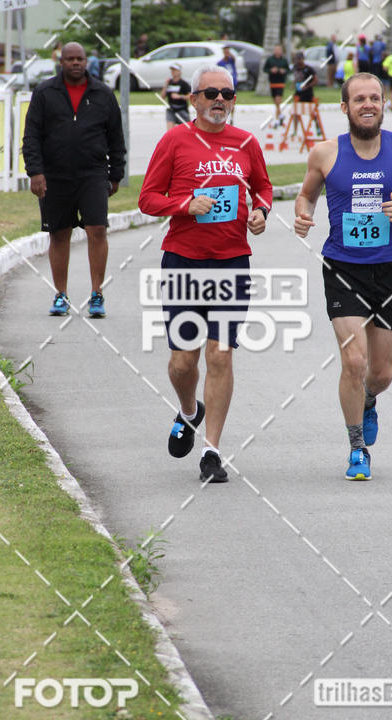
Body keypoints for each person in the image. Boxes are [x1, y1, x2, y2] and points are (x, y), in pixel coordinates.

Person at [294, 72, 392, 480]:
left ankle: (370, 400)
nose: (368, 105)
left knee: (381, 374)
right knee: (354, 361)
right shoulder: (325, 153)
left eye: (374, 98)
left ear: (383, 104)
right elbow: (306, 195)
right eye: (359, 99)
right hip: (342, 268)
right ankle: (357, 448)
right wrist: (303, 214)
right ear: (345, 107)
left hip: (390, 269)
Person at [138, 65, 272, 483]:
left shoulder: (246, 142)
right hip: (183, 260)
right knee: (183, 362)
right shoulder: (174, 140)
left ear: (234, 100)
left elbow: (263, 188)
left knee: (220, 354)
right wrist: (185, 205)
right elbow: (147, 198)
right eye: (210, 93)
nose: (219, 100)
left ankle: (211, 452)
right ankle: (188, 410)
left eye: (227, 94)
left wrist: (261, 212)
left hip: (232, 262)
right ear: (193, 99)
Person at [23, 42, 126, 318]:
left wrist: (116, 173)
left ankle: (97, 294)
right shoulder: (45, 92)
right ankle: (60, 295)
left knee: (97, 229)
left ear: (86, 61)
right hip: (55, 176)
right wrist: (35, 172)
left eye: (80, 58)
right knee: (59, 233)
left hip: (93, 173)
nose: (76, 63)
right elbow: (31, 135)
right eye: (70, 59)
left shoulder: (103, 93)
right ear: (61, 62)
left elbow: (116, 137)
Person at [263, 44, 289, 126]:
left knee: (278, 100)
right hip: (272, 82)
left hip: (280, 82)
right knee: (276, 102)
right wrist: (271, 70)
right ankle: (280, 116)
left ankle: (277, 119)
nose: (277, 51)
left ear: (281, 51)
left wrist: (284, 71)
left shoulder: (284, 60)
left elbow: (288, 70)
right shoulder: (270, 60)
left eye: (279, 49)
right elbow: (265, 69)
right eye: (276, 49)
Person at [161, 64, 191, 130]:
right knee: (170, 131)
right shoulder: (169, 82)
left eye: (175, 70)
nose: (173, 72)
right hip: (171, 109)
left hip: (182, 110)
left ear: (179, 72)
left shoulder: (184, 83)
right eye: (172, 70)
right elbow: (162, 97)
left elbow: (190, 96)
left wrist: (180, 96)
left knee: (185, 131)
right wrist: (165, 85)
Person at [217, 46, 238, 123]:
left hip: (232, 84)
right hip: (224, 85)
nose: (227, 53)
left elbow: (234, 58)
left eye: (228, 51)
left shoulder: (231, 60)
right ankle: (224, 116)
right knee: (224, 101)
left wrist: (229, 53)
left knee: (232, 101)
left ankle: (232, 118)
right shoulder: (220, 63)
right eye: (225, 51)